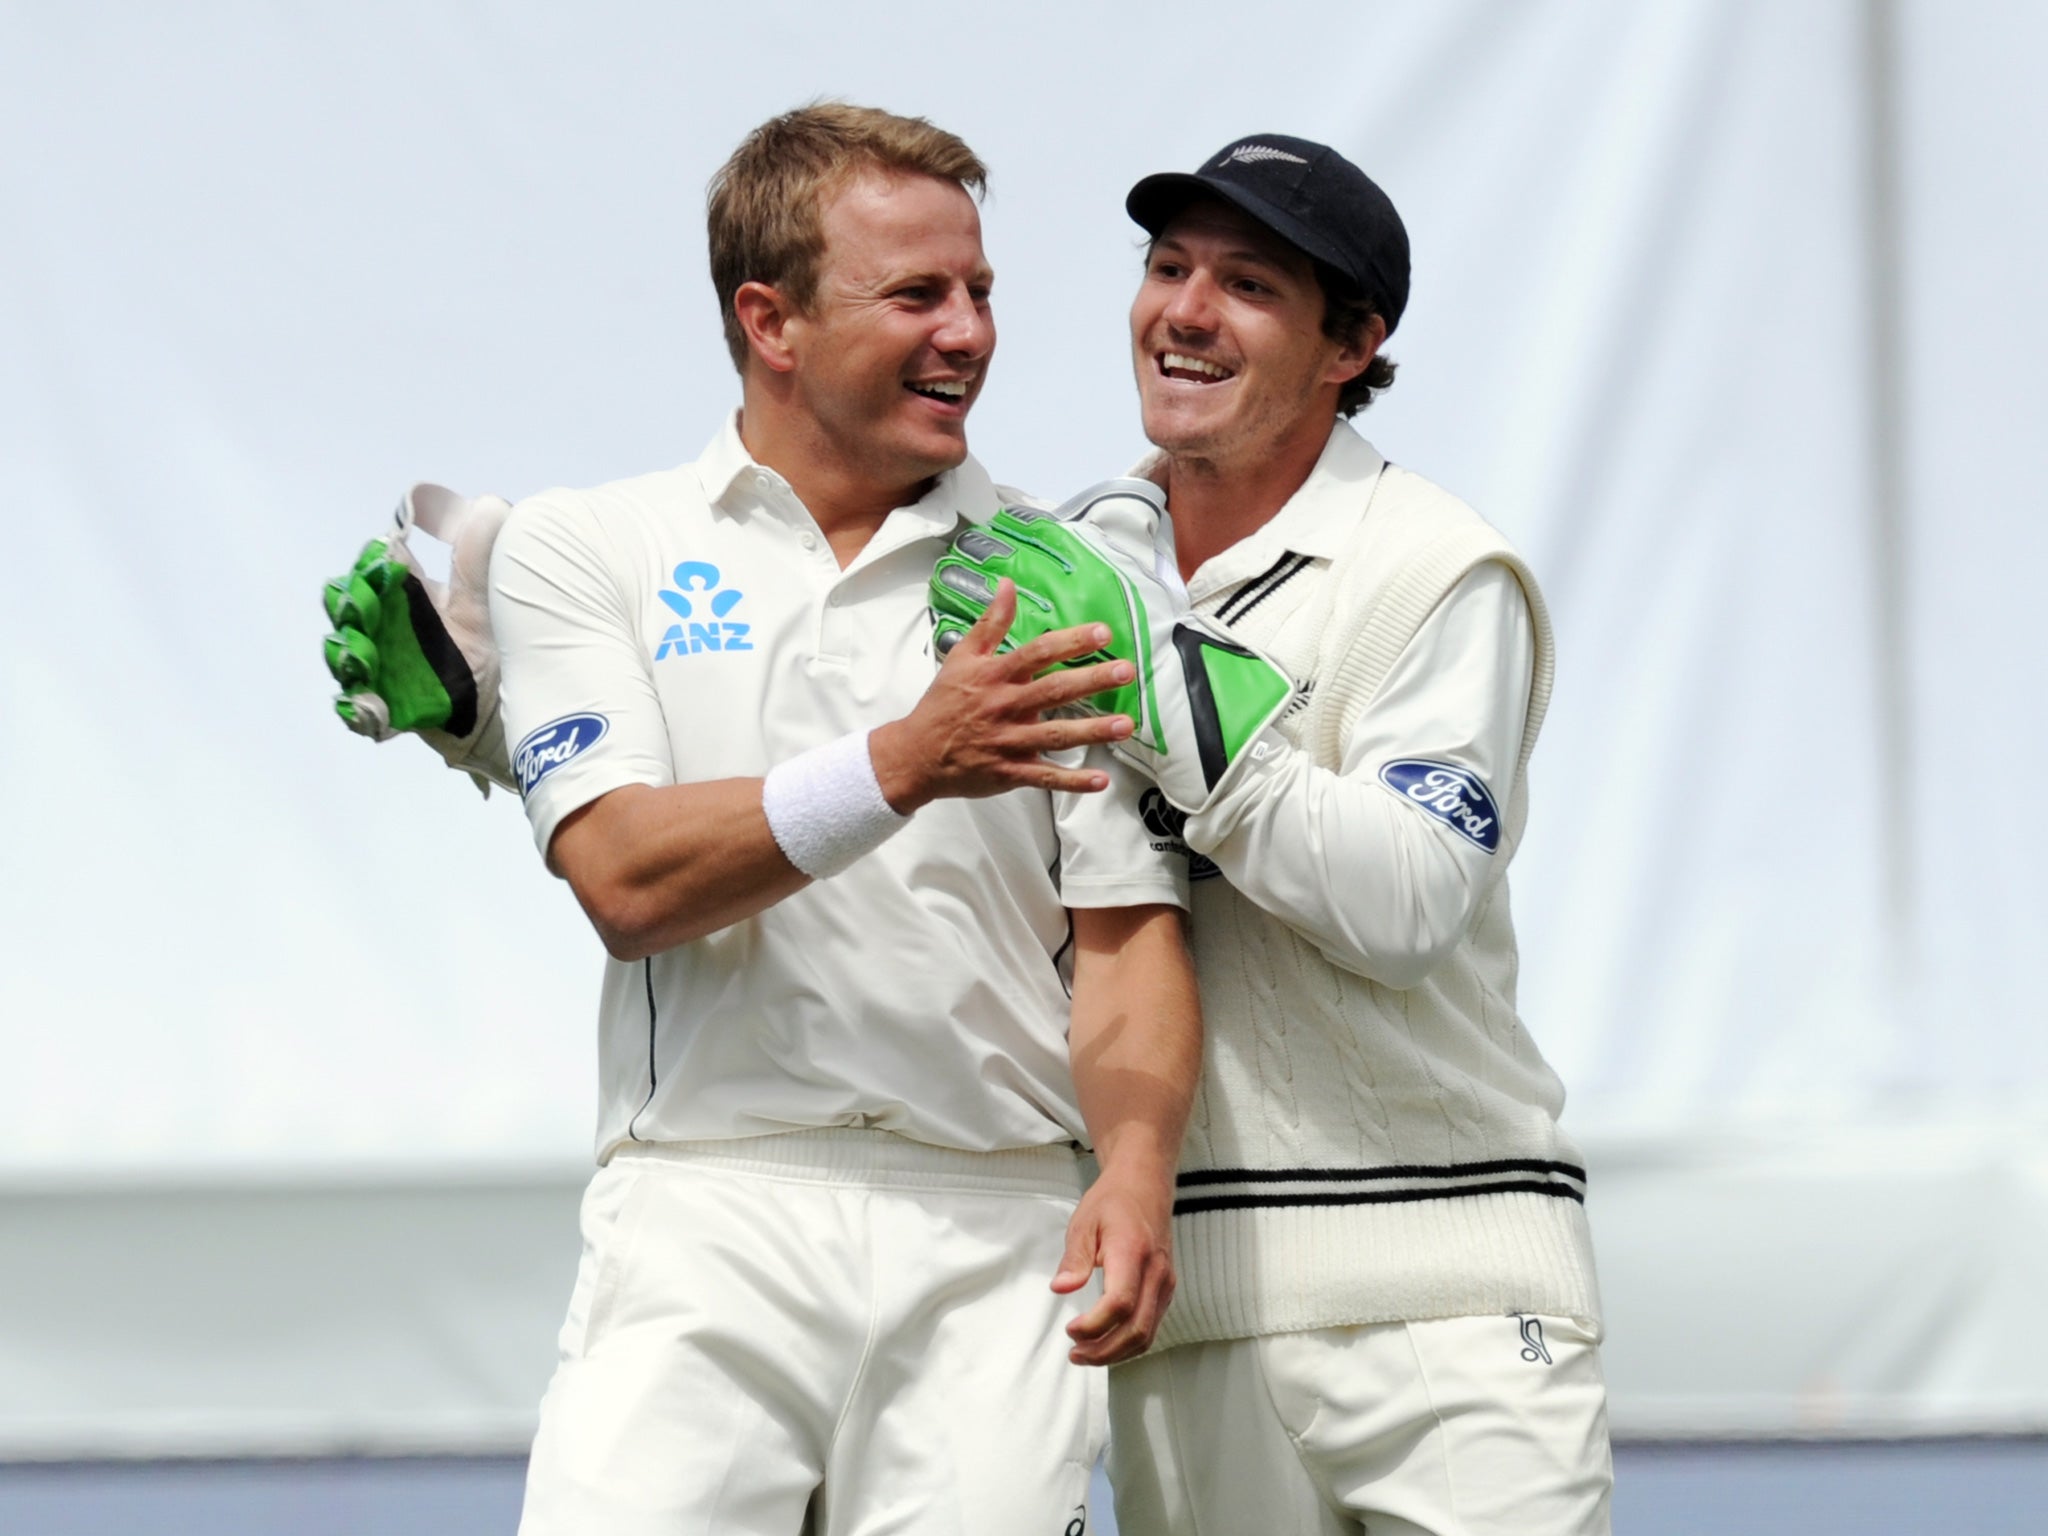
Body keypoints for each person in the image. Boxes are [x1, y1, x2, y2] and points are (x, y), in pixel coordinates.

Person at [326, 104, 1197, 1535]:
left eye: (981, 292)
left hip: (995, 1231)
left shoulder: (1068, 574)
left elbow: (1125, 932)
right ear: (769, 320)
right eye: (917, 294)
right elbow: (624, 876)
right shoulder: (590, 546)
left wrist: (1139, 1170)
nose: (969, 332)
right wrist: (907, 760)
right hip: (706, 1207)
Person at [934, 133, 1611, 1534]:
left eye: (1246, 285)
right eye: (1169, 267)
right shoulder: (1074, 560)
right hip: (1187, 1312)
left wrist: (1170, 691)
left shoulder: (1436, 568)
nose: (1184, 311)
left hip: (1454, 1302)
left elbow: (1408, 904)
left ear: (1352, 344)